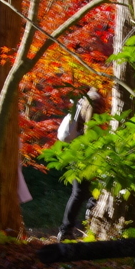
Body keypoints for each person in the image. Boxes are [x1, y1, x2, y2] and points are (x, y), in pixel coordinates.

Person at [56, 87, 104, 241]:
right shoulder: (95, 101)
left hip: (77, 149)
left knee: (84, 192)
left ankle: (69, 229)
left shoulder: (84, 99)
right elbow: (90, 128)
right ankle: (67, 229)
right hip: (86, 151)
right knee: (82, 192)